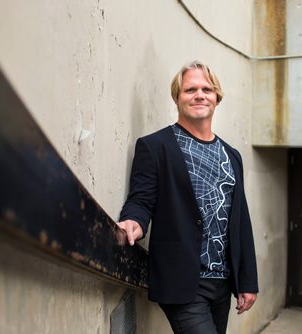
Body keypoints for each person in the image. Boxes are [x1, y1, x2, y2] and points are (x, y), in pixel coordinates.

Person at [116, 60, 258, 334]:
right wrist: (133, 220)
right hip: (183, 281)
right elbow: (141, 198)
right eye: (190, 89)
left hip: (223, 283)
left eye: (207, 88)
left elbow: (240, 222)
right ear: (177, 98)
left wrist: (247, 281)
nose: (199, 94)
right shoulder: (155, 146)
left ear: (217, 97)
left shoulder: (232, 156)